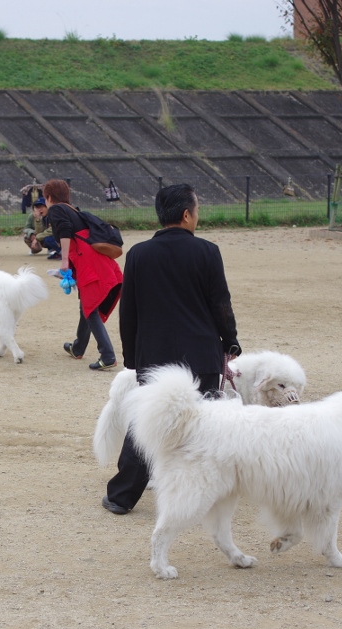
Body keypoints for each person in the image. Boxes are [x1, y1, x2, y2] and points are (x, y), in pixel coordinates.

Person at [102, 182, 241, 515]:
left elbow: (129, 311)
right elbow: (220, 303)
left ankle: (121, 496)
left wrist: (132, 357)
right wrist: (230, 340)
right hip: (201, 356)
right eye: (196, 210)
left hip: (155, 357)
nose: (198, 216)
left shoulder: (138, 254)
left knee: (146, 426)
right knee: (204, 426)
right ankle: (205, 494)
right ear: (185, 214)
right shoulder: (208, 251)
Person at [43, 178, 120, 371]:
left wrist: (63, 261)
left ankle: (108, 355)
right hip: (97, 260)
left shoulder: (56, 209)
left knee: (90, 308)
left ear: (49, 197)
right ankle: (78, 347)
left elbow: (65, 232)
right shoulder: (72, 209)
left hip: (88, 262)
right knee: (86, 304)